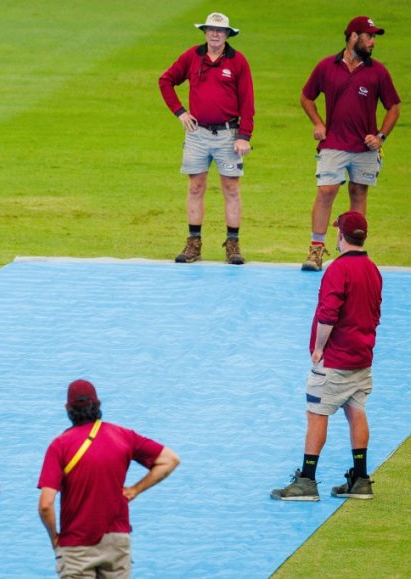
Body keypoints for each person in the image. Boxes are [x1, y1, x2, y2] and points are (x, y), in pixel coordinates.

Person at [272, 211, 381, 501]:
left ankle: (307, 480)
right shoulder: (373, 269)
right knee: (356, 411)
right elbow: (374, 312)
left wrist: (319, 348)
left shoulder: (337, 269)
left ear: (341, 236)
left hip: (335, 359)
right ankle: (360, 479)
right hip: (362, 358)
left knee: (317, 414)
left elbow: (328, 314)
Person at [38, 380, 180, 578]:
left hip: (76, 544)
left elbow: (46, 505)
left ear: (68, 408)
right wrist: (135, 490)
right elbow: (170, 460)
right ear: (98, 405)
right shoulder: (123, 436)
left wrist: (54, 537)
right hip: (116, 540)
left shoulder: (59, 446)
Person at [299, 16, 400, 271]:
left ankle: (353, 251)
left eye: (374, 37)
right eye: (369, 36)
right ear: (354, 36)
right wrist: (318, 123)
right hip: (334, 143)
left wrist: (381, 137)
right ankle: (316, 250)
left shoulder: (378, 71)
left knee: (358, 193)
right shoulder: (326, 67)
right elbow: (306, 97)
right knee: (326, 192)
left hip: (365, 149)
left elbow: (393, 107)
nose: (373, 42)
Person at [159, 12, 255, 265]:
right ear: (205, 32)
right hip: (197, 133)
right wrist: (180, 112)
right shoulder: (192, 56)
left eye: (220, 31)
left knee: (232, 188)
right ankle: (194, 244)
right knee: (195, 186)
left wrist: (244, 135)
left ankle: (233, 245)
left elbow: (247, 101)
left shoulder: (238, 61)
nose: (215, 34)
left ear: (227, 35)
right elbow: (166, 80)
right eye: (211, 30)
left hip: (228, 134)